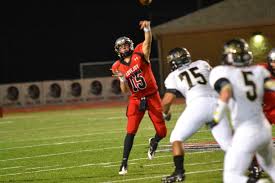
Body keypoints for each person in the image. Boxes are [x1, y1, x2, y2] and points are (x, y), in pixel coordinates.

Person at [160, 47, 233, 183]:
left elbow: (167, 101)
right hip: (217, 104)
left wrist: (165, 113)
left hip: (197, 105)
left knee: (176, 138)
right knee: (228, 144)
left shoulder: (173, 76)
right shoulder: (201, 63)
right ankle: (254, 166)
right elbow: (216, 79)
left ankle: (179, 172)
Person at [209, 38, 275, 183]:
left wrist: (216, 117)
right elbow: (272, 85)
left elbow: (225, 91)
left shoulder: (222, 71)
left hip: (246, 131)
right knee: (271, 166)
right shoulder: (258, 71)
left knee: (231, 177)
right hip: (264, 128)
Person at [111, 20, 167, 175]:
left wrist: (148, 29)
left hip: (152, 96)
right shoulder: (117, 66)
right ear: (118, 50)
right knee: (131, 130)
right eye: (122, 47)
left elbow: (148, 43)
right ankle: (124, 163)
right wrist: (122, 79)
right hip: (136, 99)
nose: (125, 48)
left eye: (126, 45)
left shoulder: (139, 54)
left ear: (130, 45)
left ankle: (154, 141)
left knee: (162, 132)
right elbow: (124, 91)